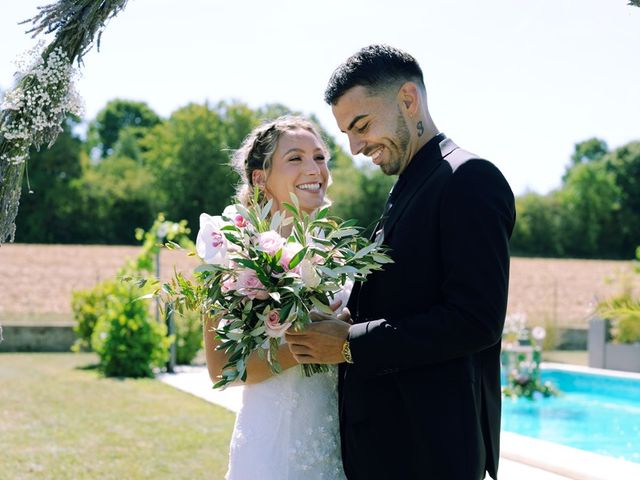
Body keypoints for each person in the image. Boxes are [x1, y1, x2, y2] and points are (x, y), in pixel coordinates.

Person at [285, 45, 516, 479]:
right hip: (389, 449)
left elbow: (476, 320)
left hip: (430, 454)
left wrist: (351, 341)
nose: (354, 148)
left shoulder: (469, 179)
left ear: (408, 100)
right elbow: (408, 297)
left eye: (362, 126)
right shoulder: (409, 184)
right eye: (347, 134)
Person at [203, 115, 348, 480]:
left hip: (336, 450)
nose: (315, 168)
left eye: (320, 157)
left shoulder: (337, 256)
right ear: (260, 178)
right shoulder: (231, 250)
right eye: (295, 158)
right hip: (270, 453)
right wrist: (305, 345)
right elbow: (221, 370)